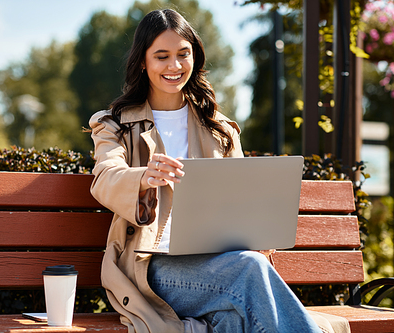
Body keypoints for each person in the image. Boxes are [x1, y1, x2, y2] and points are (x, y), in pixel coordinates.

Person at [89, 8, 347, 333]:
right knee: (249, 270)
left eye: (183, 54)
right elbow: (106, 176)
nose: (174, 66)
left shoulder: (219, 129)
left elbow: (244, 201)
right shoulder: (113, 123)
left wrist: (258, 229)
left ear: (194, 56)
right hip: (151, 266)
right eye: (162, 56)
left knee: (236, 321)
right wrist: (141, 177)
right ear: (143, 61)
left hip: (218, 261)